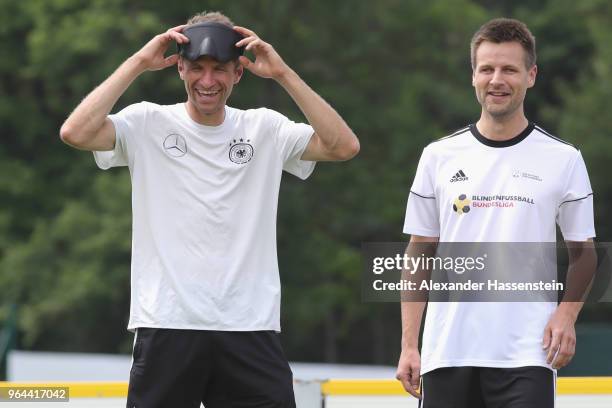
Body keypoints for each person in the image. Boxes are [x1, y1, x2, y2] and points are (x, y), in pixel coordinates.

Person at [60, 11, 359, 408]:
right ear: (179, 67)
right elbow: (75, 132)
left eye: (220, 69)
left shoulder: (265, 128)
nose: (207, 81)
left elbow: (343, 146)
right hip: (167, 322)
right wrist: (137, 63)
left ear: (239, 73)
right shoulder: (146, 122)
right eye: (196, 68)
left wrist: (284, 73)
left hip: (249, 326)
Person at [396, 18, 595, 407]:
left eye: (509, 69)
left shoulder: (564, 159)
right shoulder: (438, 156)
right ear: (473, 75)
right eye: (487, 69)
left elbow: (583, 254)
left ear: (531, 75)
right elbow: (419, 251)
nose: (496, 80)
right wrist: (409, 345)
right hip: (447, 353)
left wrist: (566, 315)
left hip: (528, 354)